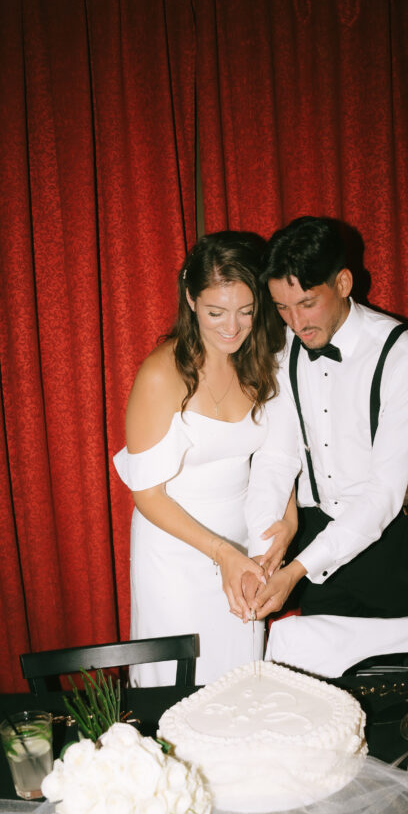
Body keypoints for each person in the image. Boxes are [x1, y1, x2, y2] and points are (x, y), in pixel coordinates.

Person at [114, 231, 298, 686]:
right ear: (192, 301)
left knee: (240, 681)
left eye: (246, 311)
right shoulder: (161, 374)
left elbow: (277, 458)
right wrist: (222, 553)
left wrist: (287, 522)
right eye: (216, 312)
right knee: (178, 687)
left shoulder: (262, 362)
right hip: (176, 553)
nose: (232, 327)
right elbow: (147, 495)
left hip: (242, 543)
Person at [245, 216, 408, 621]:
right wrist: (262, 554)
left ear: (343, 284)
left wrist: (297, 570)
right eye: (283, 308)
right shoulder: (286, 349)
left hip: (392, 543)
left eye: (307, 303)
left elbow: (384, 493)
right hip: (318, 533)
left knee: (396, 677)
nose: (296, 323)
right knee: (319, 678)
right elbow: (277, 457)